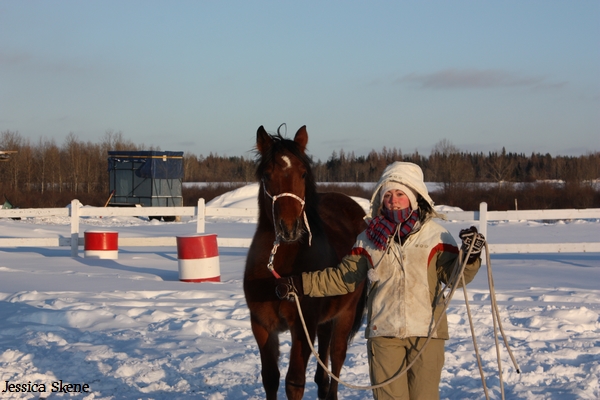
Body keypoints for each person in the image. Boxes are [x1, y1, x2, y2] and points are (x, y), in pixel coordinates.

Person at [275, 161, 484, 400]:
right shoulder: (368, 239)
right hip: (384, 334)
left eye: (400, 194)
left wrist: (470, 257)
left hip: (427, 334)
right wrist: (300, 284)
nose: (393, 200)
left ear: (413, 196)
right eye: (388, 195)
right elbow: (342, 278)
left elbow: (455, 277)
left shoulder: (436, 235)